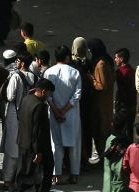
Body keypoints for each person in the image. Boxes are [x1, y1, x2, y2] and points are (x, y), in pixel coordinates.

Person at [45, 45, 83, 184]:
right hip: (71, 113)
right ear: (67, 57)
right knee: (74, 144)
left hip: (54, 113)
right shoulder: (75, 73)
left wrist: (56, 110)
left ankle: (57, 175)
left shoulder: (48, 72)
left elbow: (47, 95)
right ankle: (74, 174)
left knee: (56, 145)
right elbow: (77, 95)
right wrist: (65, 110)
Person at [1, 51, 35, 188]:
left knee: (12, 148)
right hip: (29, 116)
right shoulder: (34, 77)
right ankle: (23, 176)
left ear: (22, 63)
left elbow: (10, 96)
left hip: (15, 115)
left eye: (18, 61)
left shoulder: (16, 77)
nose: (16, 63)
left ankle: (9, 179)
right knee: (25, 147)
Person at [87, 38, 115, 164]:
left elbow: (101, 85)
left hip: (101, 103)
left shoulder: (101, 64)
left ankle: (104, 157)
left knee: (101, 131)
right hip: (105, 102)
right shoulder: (105, 61)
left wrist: (91, 79)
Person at [101, 115, 130, 192]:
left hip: (110, 177)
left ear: (112, 124)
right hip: (121, 179)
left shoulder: (110, 139)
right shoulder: (126, 141)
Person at [113, 49, 136, 136]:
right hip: (132, 105)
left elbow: (121, 91)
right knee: (129, 130)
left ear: (121, 59)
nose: (115, 60)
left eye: (116, 58)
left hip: (123, 106)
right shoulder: (132, 70)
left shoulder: (120, 72)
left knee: (120, 131)